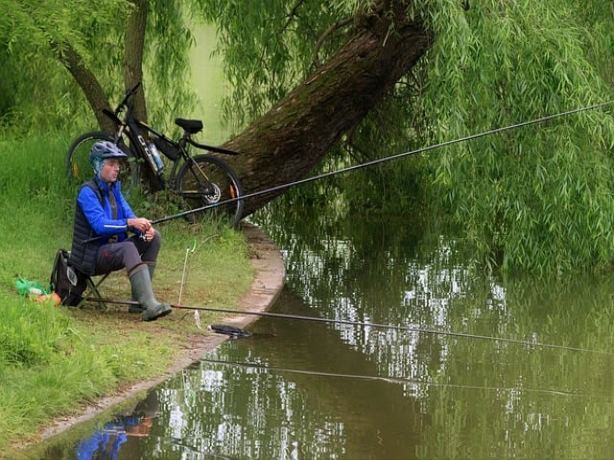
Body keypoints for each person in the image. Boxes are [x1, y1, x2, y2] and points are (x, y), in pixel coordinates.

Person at [69, 140, 171, 321]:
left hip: (112, 250)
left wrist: (144, 229)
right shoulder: (87, 192)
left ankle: (139, 304)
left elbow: (130, 216)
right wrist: (131, 223)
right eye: (111, 164)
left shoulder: (114, 190)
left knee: (154, 238)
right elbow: (100, 226)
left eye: (117, 164)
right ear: (98, 165)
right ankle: (150, 303)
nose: (117, 168)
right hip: (90, 257)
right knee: (128, 248)